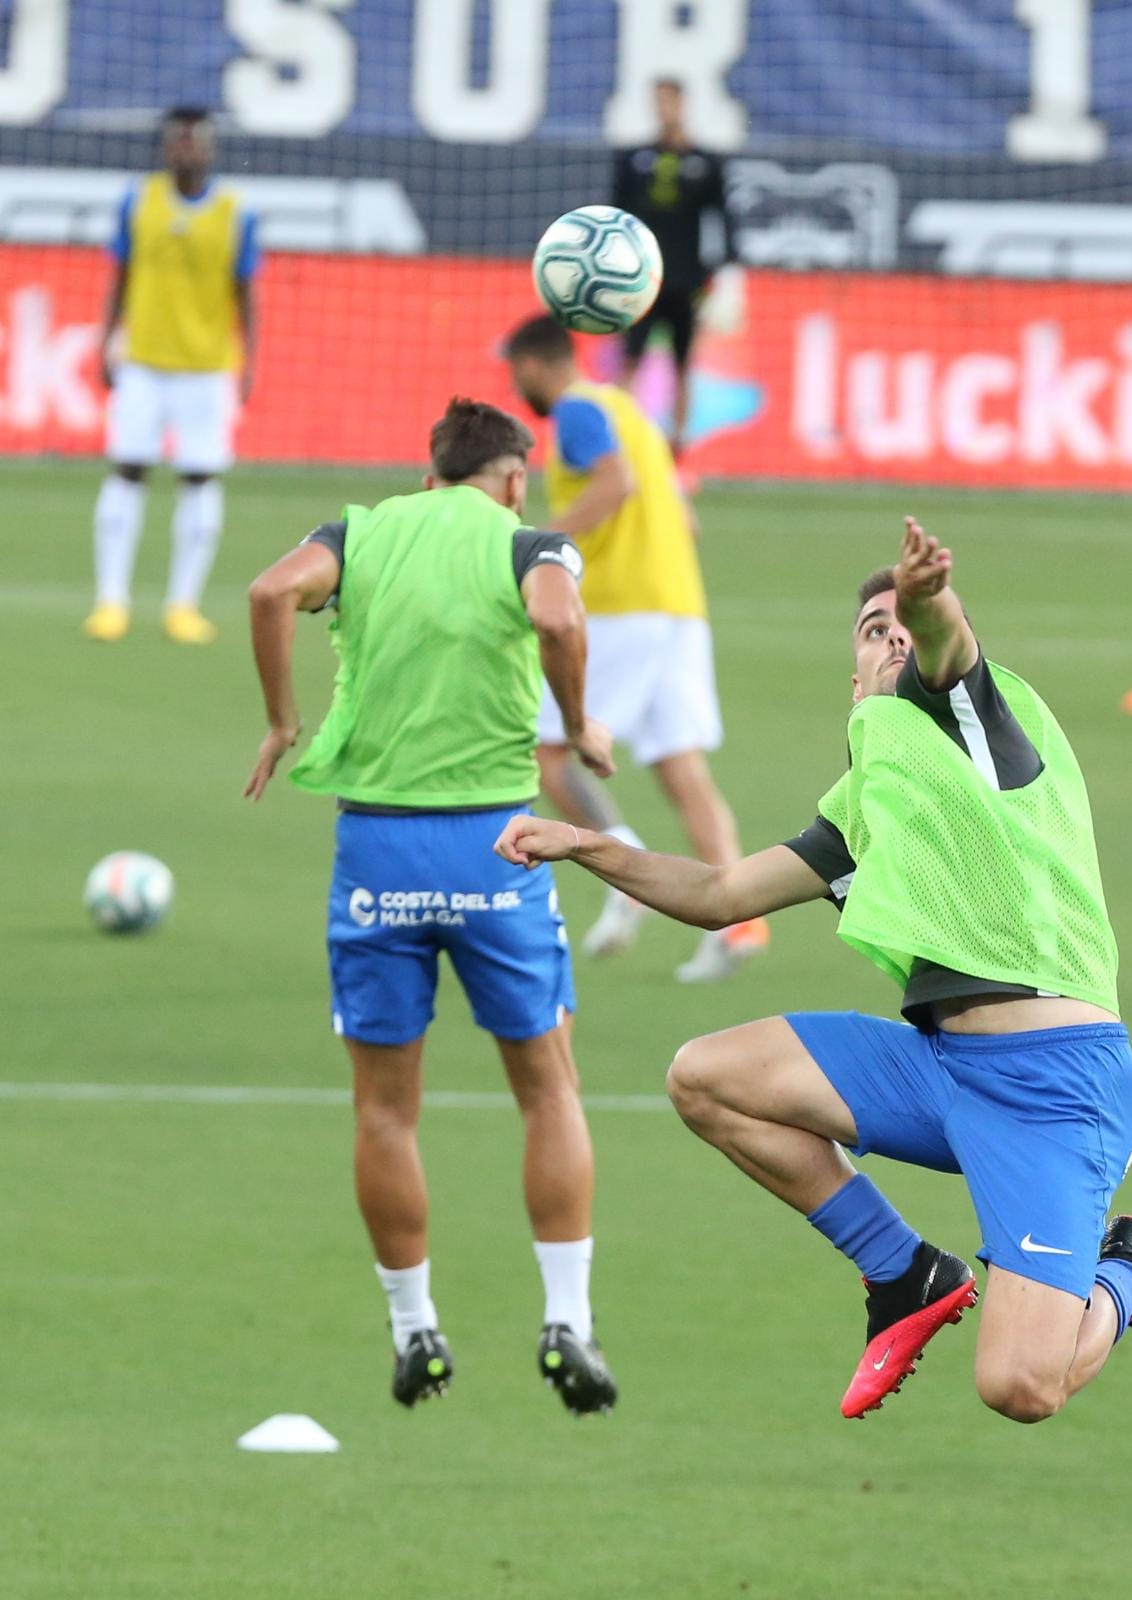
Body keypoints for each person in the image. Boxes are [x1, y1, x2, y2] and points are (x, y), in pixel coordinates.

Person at [496, 517, 1132, 1424]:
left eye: (904, 626)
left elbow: (944, 641)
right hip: (944, 1072)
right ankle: (905, 1272)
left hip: (1058, 1092)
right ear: (854, 680)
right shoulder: (864, 810)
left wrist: (925, 597)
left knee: (1021, 1387)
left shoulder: (970, 719)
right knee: (706, 1079)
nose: (894, 637)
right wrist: (586, 844)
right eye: (874, 631)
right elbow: (718, 892)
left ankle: (1129, 1274)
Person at [243, 397, 620, 1416]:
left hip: (377, 847)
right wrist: (579, 724)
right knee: (549, 1089)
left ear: (429, 478)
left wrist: (285, 721)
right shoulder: (527, 541)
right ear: (510, 478)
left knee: (383, 1107)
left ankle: (415, 1329)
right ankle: (567, 1321)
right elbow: (554, 614)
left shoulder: (358, 534)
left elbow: (271, 590)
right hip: (495, 844)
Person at [504, 313, 767, 983]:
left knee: (549, 752)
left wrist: (541, 546)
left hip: (622, 608)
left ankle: (620, 865)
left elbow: (614, 484)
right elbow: (685, 518)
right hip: (680, 604)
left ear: (534, 365)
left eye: (515, 374)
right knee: (683, 768)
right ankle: (741, 922)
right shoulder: (633, 412)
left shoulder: (578, 411)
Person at [86, 107, 259, 646]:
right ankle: (110, 600)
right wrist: (105, 339)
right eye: (178, 141)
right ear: (165, 148)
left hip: (206, 369)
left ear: (210, 148)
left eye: (196, 140)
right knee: (127, 470)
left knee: (200, 476)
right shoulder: (138, 201)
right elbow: (120, 274)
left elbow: (247, 293)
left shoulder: (236, 212)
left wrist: (249, 360)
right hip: (143, 361)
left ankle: (183, 604)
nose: (186, 149)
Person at [612, 78, 736, 453]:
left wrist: (723, 274)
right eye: (658, 102)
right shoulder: (633, 160)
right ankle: (621, 435)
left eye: (670, 102)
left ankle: (677, 441)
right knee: (631, 357)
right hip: (641, 279)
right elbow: (615, 216)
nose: (664, 109)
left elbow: (723, 220)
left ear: (683, 105)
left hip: (686, 279)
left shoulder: (704, 162)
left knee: (683, 361)